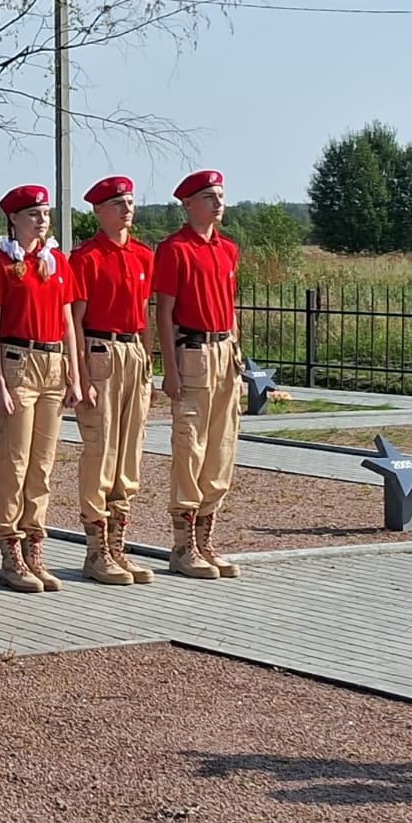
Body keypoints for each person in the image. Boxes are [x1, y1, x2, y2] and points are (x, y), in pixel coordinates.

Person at [0, 185, 80, 594]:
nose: (41, 219)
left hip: (52, 364)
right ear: (14, 219)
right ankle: (10, 547)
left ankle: (35, 542)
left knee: (43, 464)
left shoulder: (57, 262)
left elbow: (68, 318)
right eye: (33, 213)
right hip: (18, 362)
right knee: (14, 462)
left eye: (45, 213)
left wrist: (74, 373)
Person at [155, 170, 242, 580]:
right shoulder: (175, 249)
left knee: (221, 447)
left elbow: (230, 303)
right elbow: (165, 312)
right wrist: (169, 370)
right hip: (193, 352)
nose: (218, 203)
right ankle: (183, 542)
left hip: (224, 351)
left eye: (221, 196)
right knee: (191, 445)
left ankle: (207, 534)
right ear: (189, 204)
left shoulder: (227, 249)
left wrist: (237, 351)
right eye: (209, 196)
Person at [70, 176, 156, 586]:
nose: (127, 210)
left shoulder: (142, 255)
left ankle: (118, 544)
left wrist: (148, 365)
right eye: (117, 203)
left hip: (132, 352)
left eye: (130, 202)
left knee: (129, 454)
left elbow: (144, 314)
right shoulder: (85, 258)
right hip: (100, 352)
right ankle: (95, 548)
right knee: (101, 450)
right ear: (98, 211)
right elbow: (77, 321)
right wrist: (80, 374)